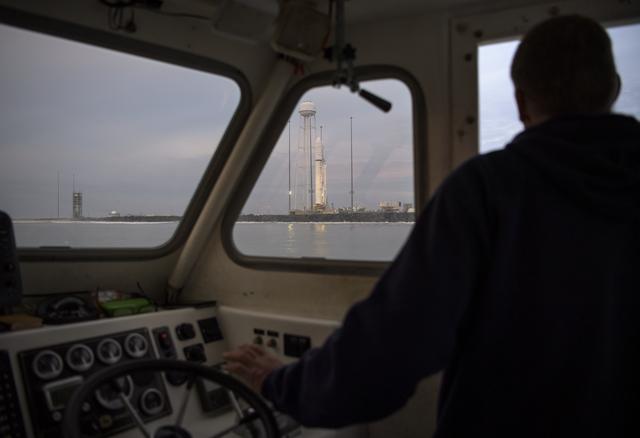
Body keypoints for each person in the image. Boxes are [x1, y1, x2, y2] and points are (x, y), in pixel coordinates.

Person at [224, 15, 640, 437]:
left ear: (520, 101)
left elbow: (391, 347)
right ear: (614, 88)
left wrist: (279, 382)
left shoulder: (487, 189)